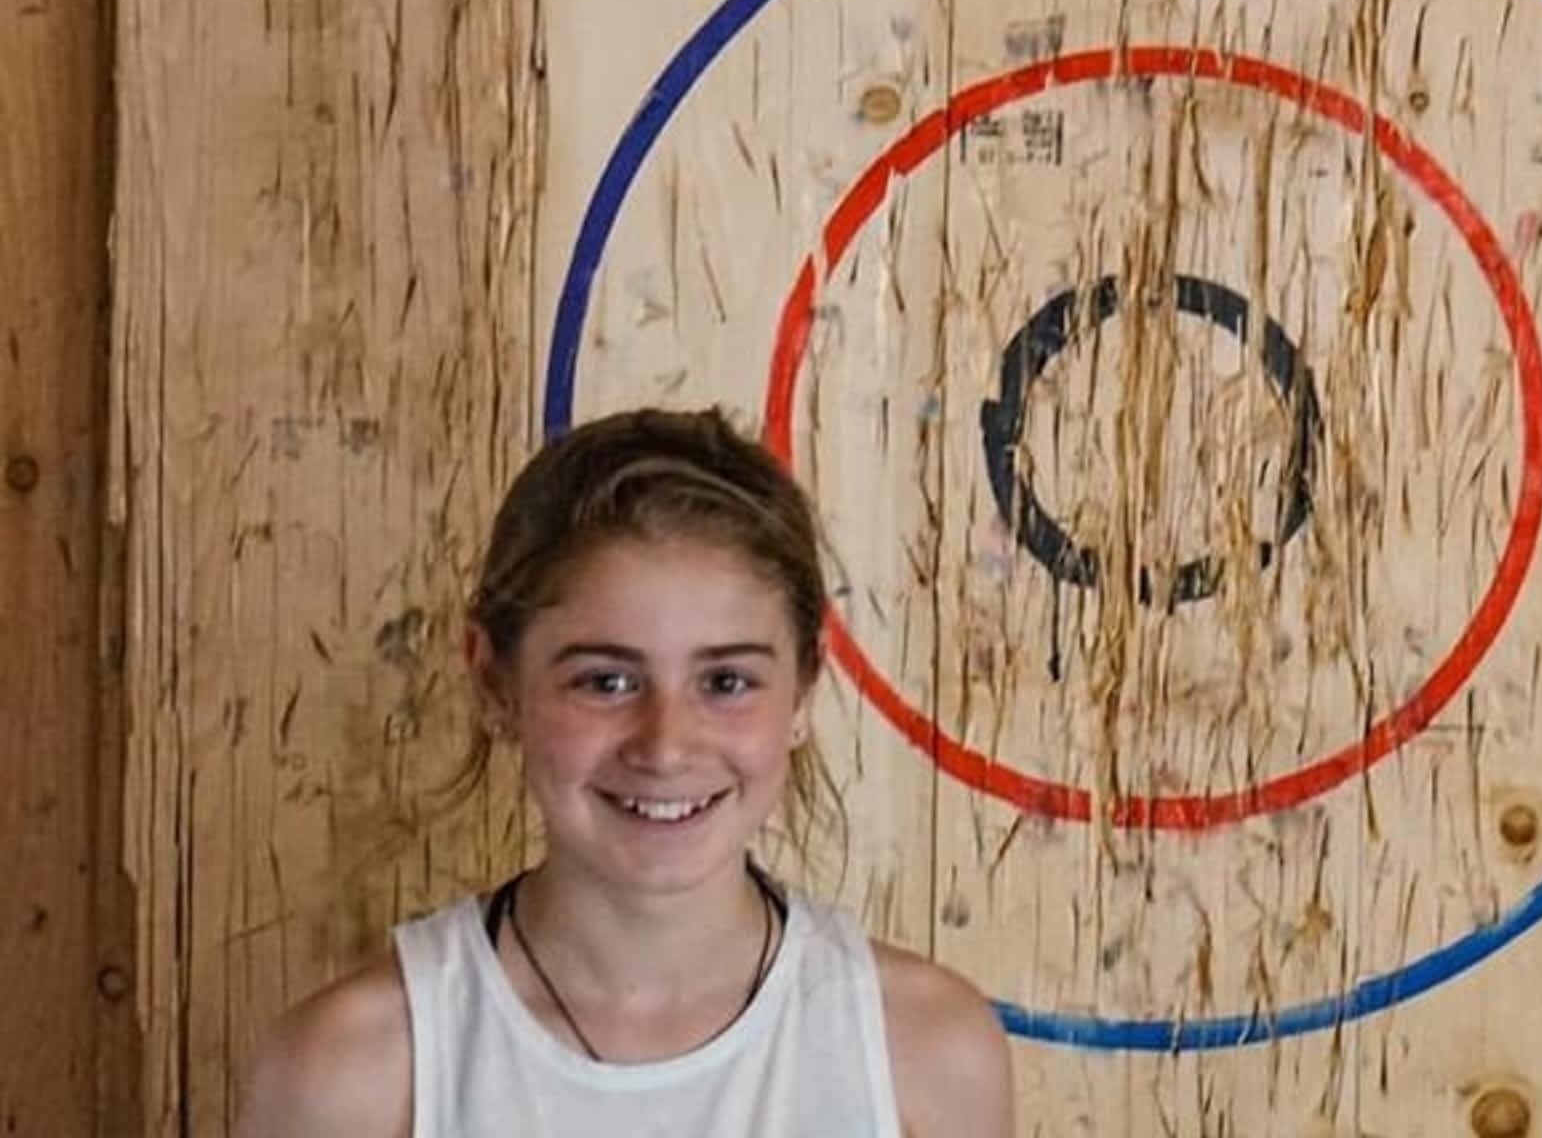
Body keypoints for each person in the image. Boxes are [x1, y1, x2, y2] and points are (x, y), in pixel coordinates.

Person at [236, 406, 1014, 1136]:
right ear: (495, 683)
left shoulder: (925, 1051)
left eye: (726, 682)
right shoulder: (353, 1070)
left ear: (805, 687)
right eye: (606, 681)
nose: (666, 745)